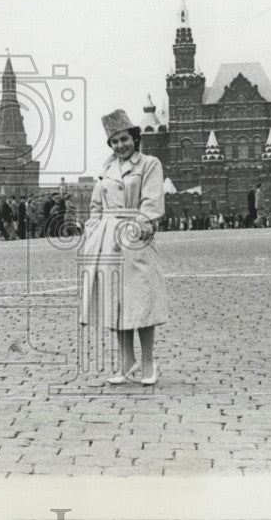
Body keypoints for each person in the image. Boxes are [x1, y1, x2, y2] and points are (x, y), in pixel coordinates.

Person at [80, 110, 167, 387]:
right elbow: (96, 206)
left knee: (141, 302)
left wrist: (137, 230)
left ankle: (148, 361)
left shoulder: (150, 164)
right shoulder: (106, 170)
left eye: (124, 139)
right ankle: (126, 360)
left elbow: (152, 203)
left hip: (134, 239)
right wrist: (94, 230)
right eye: (115, 141)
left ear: (135, 138)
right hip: (106, 241)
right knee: (116, 304)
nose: (120, 145)